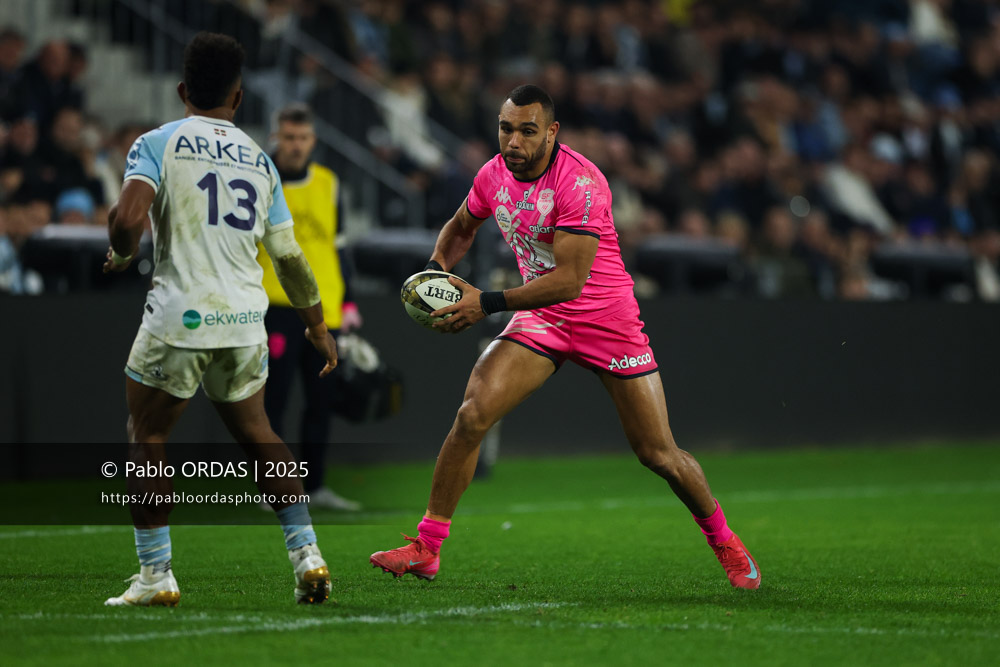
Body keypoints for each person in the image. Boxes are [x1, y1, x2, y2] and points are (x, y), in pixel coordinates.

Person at [370, 85, 761, 590]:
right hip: (542, 318)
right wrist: (434, 273)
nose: (513, 141)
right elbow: (462, 225)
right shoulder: (493, 174)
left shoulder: (580, 182)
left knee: (657, 453)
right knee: (472, 414)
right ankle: (427, 547)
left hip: (606, 320)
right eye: (506, 128)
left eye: (527, 130)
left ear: (551, 132)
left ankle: (723, 538)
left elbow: (570, 280)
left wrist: (483, 302)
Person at [102, 33, 338, 607]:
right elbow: (290, 259)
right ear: (238, 98)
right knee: (260, 433)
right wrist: (315, 325)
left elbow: (129, 218)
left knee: (148, 435)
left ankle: (156, 575)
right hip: (244, 321)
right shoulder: (260, 160)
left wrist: (122, 251)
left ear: (183, 91)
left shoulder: (158, 142)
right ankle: (307, 553)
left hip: (180, 317)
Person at [257, 103, 363, 511]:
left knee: (321, 402)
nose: (296, 145)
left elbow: (338, 247)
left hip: (327, 311)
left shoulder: (329, 183)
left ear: (313, 140)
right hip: (278, 306)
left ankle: (315, 485)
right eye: (288, 137)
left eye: (302, 138)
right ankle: (275, 489)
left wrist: (348, 298)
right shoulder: (262, 183)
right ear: (276, 138)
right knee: (275, 400)